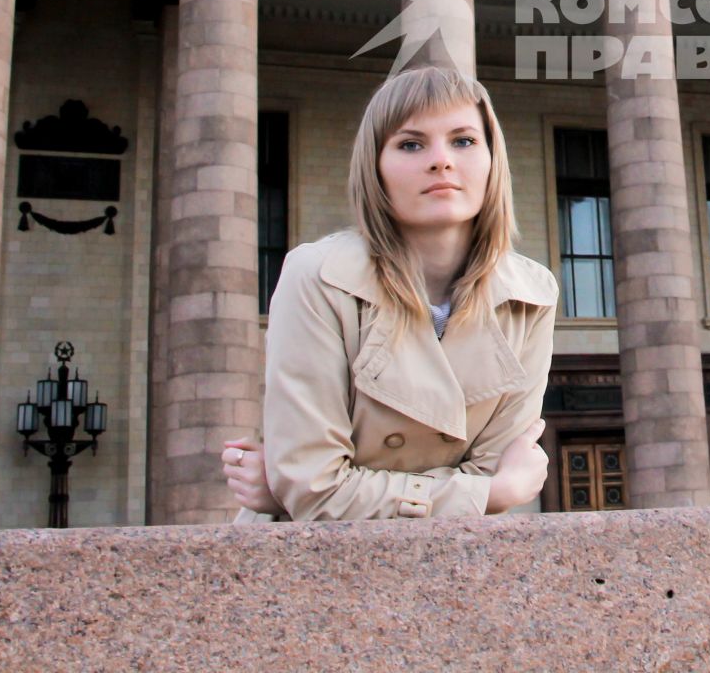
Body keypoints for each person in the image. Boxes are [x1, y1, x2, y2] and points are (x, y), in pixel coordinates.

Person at [221, 66, 556, 520]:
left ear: (493, 159)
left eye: (463, 141)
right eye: (411, 144)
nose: (441, 160)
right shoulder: (318, 276)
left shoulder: (531, 295)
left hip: (457, 564)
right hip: (311, 568)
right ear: (375, 166)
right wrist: (489, 494)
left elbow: (493, 465)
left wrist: (295, 489)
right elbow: (316, 489)